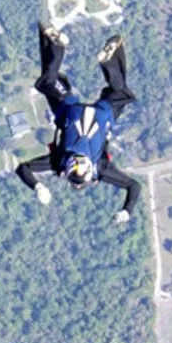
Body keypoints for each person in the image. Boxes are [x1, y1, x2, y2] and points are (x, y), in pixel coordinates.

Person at [13, 25, 144, 224]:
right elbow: (23, 169)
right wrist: (37, 186)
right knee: (47, 82)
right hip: (70, 109)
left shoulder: (100, 169)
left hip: (101, 114)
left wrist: (127, 211)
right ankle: (56, 45)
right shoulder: (59, 163)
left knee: (121, 93)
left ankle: (107, 60)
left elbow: (134, 186)